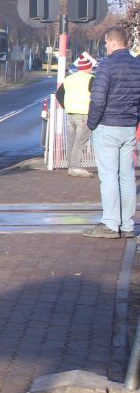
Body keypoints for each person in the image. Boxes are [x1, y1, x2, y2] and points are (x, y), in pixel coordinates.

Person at [84, 27, 140, 238]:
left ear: (114, 43)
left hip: (107, 126)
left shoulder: (106, 66)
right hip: (128, 127)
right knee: (126, 177)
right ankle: (127, 225)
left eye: (106, 42)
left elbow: (98, 100)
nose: (105, 46)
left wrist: (92, 123)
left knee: (108, 177)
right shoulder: (138, 65)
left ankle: (110, 223)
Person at [56, 52, 96, 177]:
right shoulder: (91, 79)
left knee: (72, 141)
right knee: (80, 141)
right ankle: (76, 167)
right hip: (84, 114)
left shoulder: (68, 79)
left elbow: (58, 95)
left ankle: (71, 166)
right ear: (88, 67)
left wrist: (66, 106)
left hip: (70, 114)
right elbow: (97, 97)